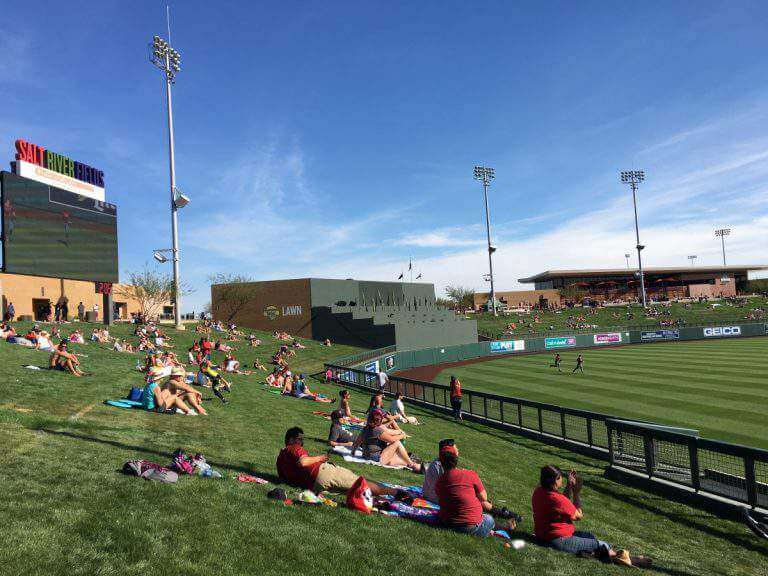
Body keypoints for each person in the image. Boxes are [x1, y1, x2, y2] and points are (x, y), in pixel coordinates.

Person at [532, 465, 644, 567]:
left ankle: (599, 554)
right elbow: (578, 516)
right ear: (555, 480)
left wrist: (569, 486)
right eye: (560, 477)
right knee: (603, 544)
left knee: (589, 536)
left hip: (543, 535)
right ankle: (626, 558)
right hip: (557, 540)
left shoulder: (539, 492)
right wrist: (576, 493)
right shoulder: (557, 499)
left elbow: (562, 505)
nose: (562, 479)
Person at [277, 427, 398, 495]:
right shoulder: (294, 447)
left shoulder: (280, 459)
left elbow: (284, 479)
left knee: (356, 491)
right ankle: (397, 493)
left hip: (314, 485)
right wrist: (320, 458)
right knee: (360, 483)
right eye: (300, 439)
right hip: (322, 474)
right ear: (292, 440)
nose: (301, 443)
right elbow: (303, 462)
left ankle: (385, 494)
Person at [435, 444, 517, 537]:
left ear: (441, 462)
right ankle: (505, 526)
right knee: (488, 519)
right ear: (456, 459)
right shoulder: (469, 474)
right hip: (471, 526)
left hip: (447, 523)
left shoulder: (439, 482)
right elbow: (484, 497)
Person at [351, 409, 423, 472]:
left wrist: (353, 452)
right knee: (397, 443)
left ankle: (413, 463)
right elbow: (392, 440)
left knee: (395, 460)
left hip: (366, 456)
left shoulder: (366, 428)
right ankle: (412, 464)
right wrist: (402, 435)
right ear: (379, 420)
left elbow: (357, 442)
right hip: (376, 459)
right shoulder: (377, 430)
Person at [423, 438, 454, 502]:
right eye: (455, 448)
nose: (457, 450)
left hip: (430, 494)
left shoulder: (441, 461)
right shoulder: (441, 465)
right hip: (433, 497)